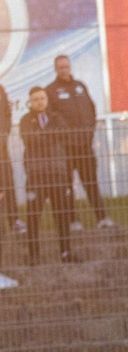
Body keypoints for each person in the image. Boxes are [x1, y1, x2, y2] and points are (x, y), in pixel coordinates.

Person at [45, 54, 113, 231]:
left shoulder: (80, 86)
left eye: (66, 66)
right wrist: (63, 139)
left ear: (70, 67)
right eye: (61, 67)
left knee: (91, 182)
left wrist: (89, 132)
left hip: (84, 146)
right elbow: (50, 120)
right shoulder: (50, 91)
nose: (64, 70)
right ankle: (73, 221)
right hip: (65, 149)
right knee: (67, 186)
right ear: (56, 69)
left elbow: (91, 109)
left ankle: (102, 219)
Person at [20, 86, 76, 264]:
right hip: (36, 174)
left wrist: (44, 135)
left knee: (61, 214)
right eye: (35, 99)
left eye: (42, 98)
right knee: (33, 215)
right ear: (30, 102)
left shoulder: (56, 117)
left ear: (47, 99)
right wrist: (50, 135)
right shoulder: (25, 120)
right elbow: (30, 139)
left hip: (57, 173)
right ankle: (34, 255)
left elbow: (64, 133)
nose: (39, 102)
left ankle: (66, 253)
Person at [0, 84, 25, 237]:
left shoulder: (0, 89)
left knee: (7, 183)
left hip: (1, 150)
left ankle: (14, 220)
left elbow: (7, 114)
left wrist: (3, 135)